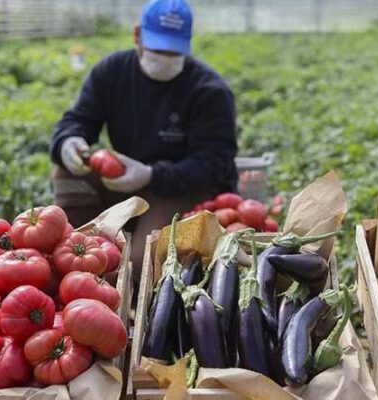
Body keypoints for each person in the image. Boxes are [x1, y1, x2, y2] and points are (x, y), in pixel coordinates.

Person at [49, 0, 238, 284]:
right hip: (124, 180)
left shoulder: (209, 92)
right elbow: (78, 119)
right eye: (156, 48)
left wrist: (150, 175)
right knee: (67, 172)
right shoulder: (112, 72)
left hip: (181, 187)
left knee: (141, 265)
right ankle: (79, 244)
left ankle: (128, 288)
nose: (164, 57)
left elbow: (214, 164)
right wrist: (69, 141)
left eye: (173, 51)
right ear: (138, 35)